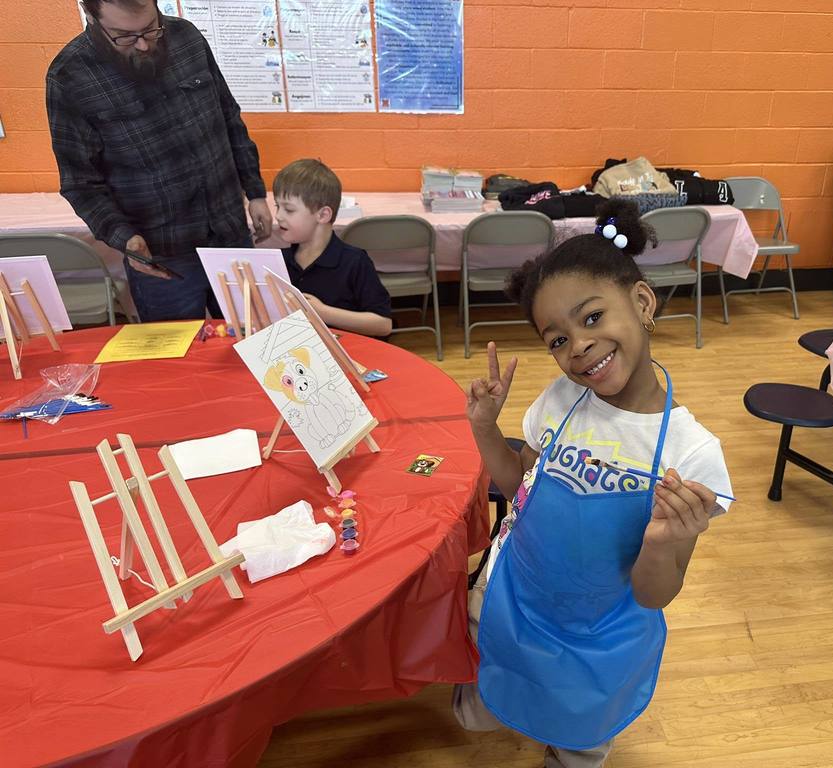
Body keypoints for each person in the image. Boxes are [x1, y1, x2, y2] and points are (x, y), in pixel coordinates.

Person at [454, 199, 732, 767]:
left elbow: (656, 594)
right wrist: (487, 431)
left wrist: (661, 540)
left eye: (592, 318)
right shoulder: (559, 399)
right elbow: (520, 492)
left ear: (643, 302)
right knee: (492, 691)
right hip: (518, 596)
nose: (577, 345)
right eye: (556, 339)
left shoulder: (692, 454)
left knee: (582, 730)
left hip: (602, 633)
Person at [45, 0, 272, 321]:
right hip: (161, 254)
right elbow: (80, 184)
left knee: (253, 335)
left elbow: (229, 117)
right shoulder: (69, 77)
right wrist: (123, 237)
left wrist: (255, 191)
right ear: (90, 15)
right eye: (124, 36)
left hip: (228, 233)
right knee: (178, 358)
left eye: (151, 29)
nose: (143, 44)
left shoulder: (187, 38)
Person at [274, 159, 392, 337]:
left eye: (289, 210)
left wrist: (323, 313)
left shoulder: (355, 261)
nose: (278, 216)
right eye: (277, 207)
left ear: (323, 215)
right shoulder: (279, 260)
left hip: (348, 356)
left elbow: (383, 325)